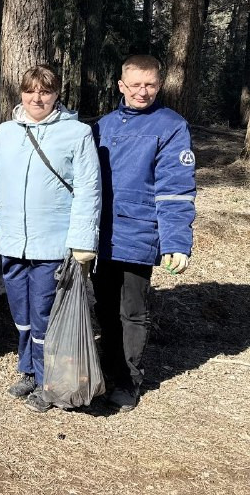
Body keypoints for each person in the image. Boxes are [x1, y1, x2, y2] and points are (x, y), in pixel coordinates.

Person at [0, 64, 101, 413]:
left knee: (45, 314)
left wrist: (82, 241)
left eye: (45, 92)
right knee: (22, 313)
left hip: (53, 243)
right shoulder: (5, 132)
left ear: (57, 94)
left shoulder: (77, 133)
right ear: (21, 93)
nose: (37, 98)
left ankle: (50, 381)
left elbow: (88, 190)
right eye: (31, 91)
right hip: (13, 243)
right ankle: (28, 370)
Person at [92, 54, 196, 412]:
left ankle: (127, 382)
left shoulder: (170, 126)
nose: (143, 91)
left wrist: (176, 241)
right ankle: (105, 372)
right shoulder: (102, 126)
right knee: (102, 308)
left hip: (139, 234)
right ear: (121, 85)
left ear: (160, 84)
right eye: (135, 84)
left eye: (150, 84)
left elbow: (175, 189)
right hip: (101, 236)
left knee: (131, 310)